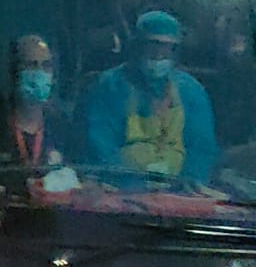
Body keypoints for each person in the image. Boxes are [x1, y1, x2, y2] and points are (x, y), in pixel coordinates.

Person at [86, 11, 217, 184]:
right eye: (153, 45)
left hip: (179, 191)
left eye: (167, 47)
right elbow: (100, 144)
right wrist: (130, 185)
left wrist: (186, 185)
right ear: (137, 46)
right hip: (120, 189)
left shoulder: (191, 90)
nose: (159, 54)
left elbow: (202, 149)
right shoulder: (110, 86)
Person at [0, 34, 68, 170]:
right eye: (31, 65)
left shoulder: (61, 126)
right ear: (14, 72)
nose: (40, 72)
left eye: (46, 65)